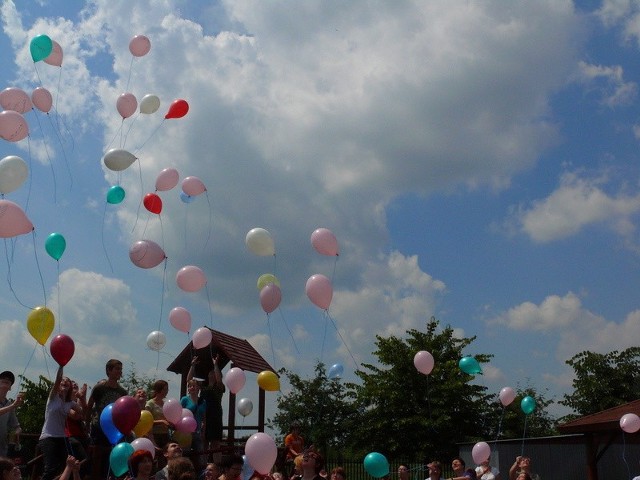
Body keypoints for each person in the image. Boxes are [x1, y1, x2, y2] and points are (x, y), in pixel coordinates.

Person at [86, 359, 127, 479]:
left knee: (112, 458)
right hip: (98, 429)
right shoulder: (99, 388)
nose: (120, 372)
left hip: (115, 430)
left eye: (121, 369)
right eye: (117, 369)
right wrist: (87, 425)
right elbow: (89, 407)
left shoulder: (122, 392)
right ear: (109, 370)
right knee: (97, 460)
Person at [38, 365, 80, 480]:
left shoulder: (70, 403)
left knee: (67, 466)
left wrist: (81, 398)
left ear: (70, 387)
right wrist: (61, 366)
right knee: (50, 468)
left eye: (67, 383)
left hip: (62, 438)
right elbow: (57, 380)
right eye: (62, 383)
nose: (64, 383)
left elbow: (80, 414)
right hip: (48, 437)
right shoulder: (53, 397)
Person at [198, 354, 225, 461]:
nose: (212, 372)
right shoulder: (203, 388)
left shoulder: (219, 388)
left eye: (214, 372)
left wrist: (215, 365)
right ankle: (203, 465)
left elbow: (219, 380)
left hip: (215, 418)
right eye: (211, 372)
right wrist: (193, 366)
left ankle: (217, 467)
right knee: (203, 443)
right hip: (204, 418)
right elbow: (189, 381)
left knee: (215, 444)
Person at [181, 363, 206, 470]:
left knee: (199, 457)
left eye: (194, 386)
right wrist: (192, 365)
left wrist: (203, 432)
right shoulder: (185, 400)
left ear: (198, 388)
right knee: (185, 456)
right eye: (190, 386)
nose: (191, 387)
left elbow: (204, 417)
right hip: (186, 432)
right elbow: (179, 414)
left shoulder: (203, 401)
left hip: (197, 432)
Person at [0, 372, 22, 459]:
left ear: (10, 388)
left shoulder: (9, 404)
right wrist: (13, 406)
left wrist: (17, 432)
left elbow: (16, 426)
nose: (6, 379)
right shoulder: (11, 405)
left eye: (9, 380)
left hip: (3, 450)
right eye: (3, 377)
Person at [146, 380, 171, 448]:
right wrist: (161, 422)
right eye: (165, 389)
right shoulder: (150, 404)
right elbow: (147, 422)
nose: (167, 391)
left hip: (165, 435)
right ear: (159, 389)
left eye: (167, 389)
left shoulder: (166, 404)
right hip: (154, 435)